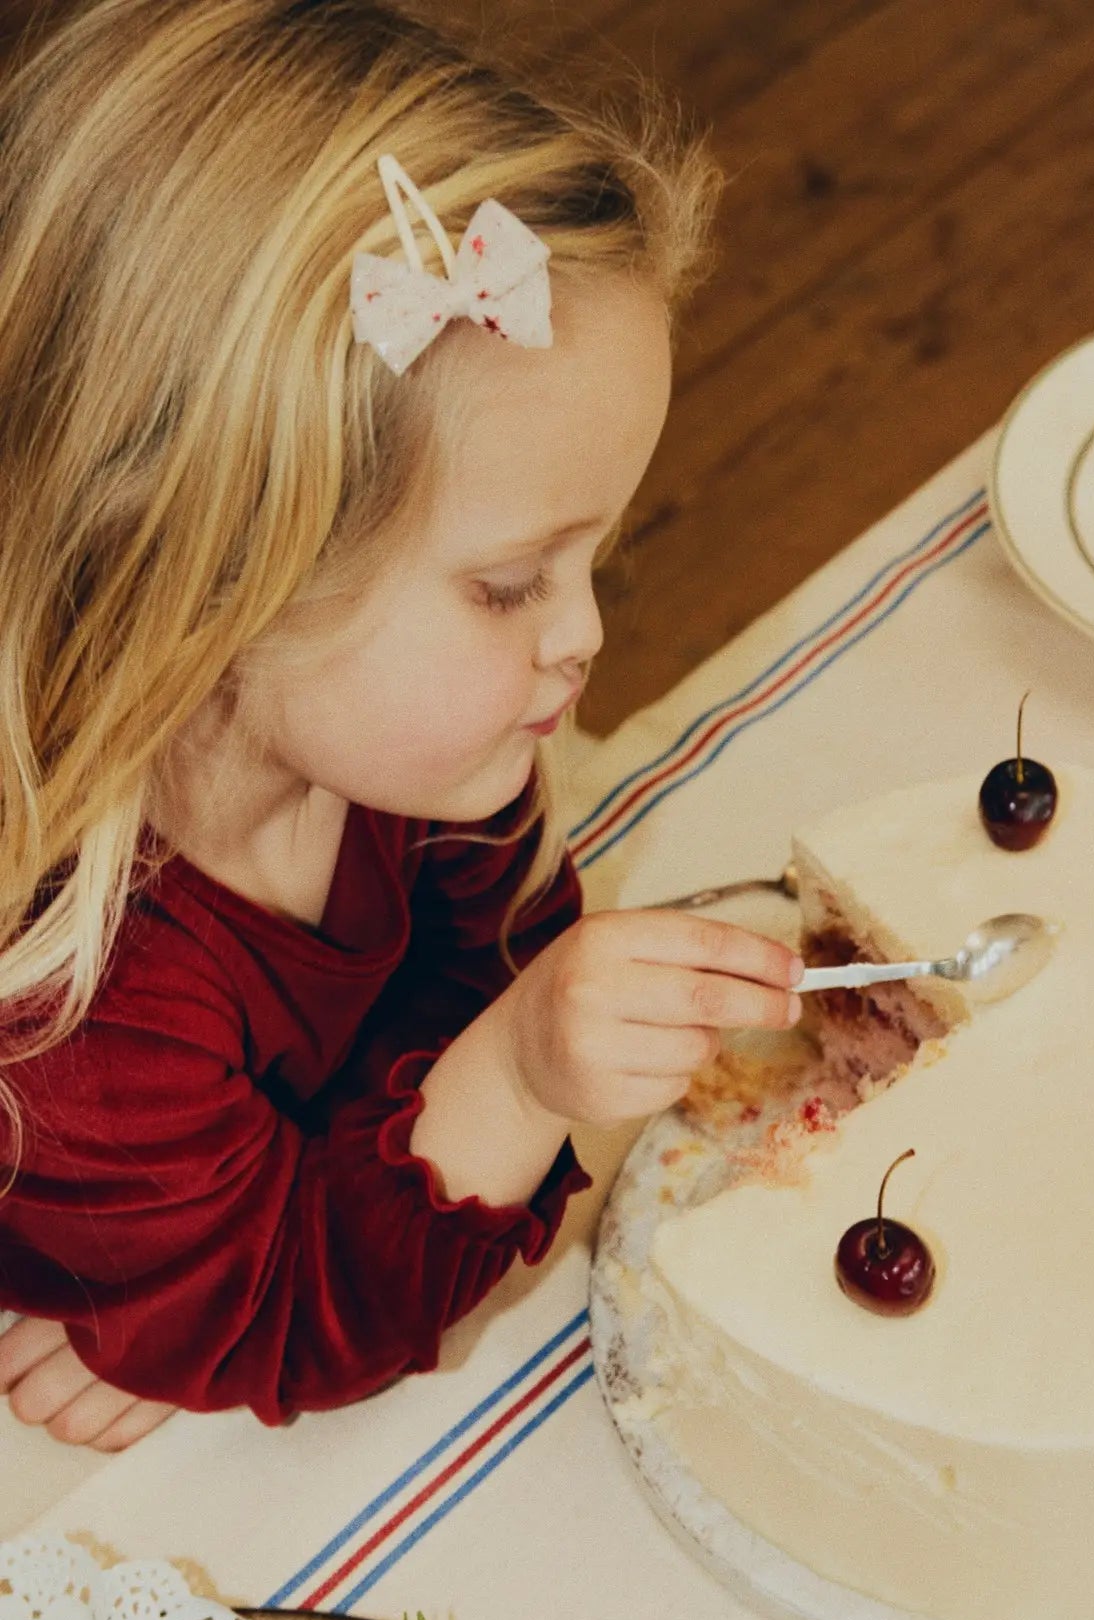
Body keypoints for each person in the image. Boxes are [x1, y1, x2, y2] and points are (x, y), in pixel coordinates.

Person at [0, 0, 802, 1452]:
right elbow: (295, 1321)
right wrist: (506, 1084)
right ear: (221, 575)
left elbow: (472, 978)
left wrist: (466, 1071)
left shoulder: (421, 747)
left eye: (591, 560)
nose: (585, 637)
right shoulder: (71, 994)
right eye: (510, 586)